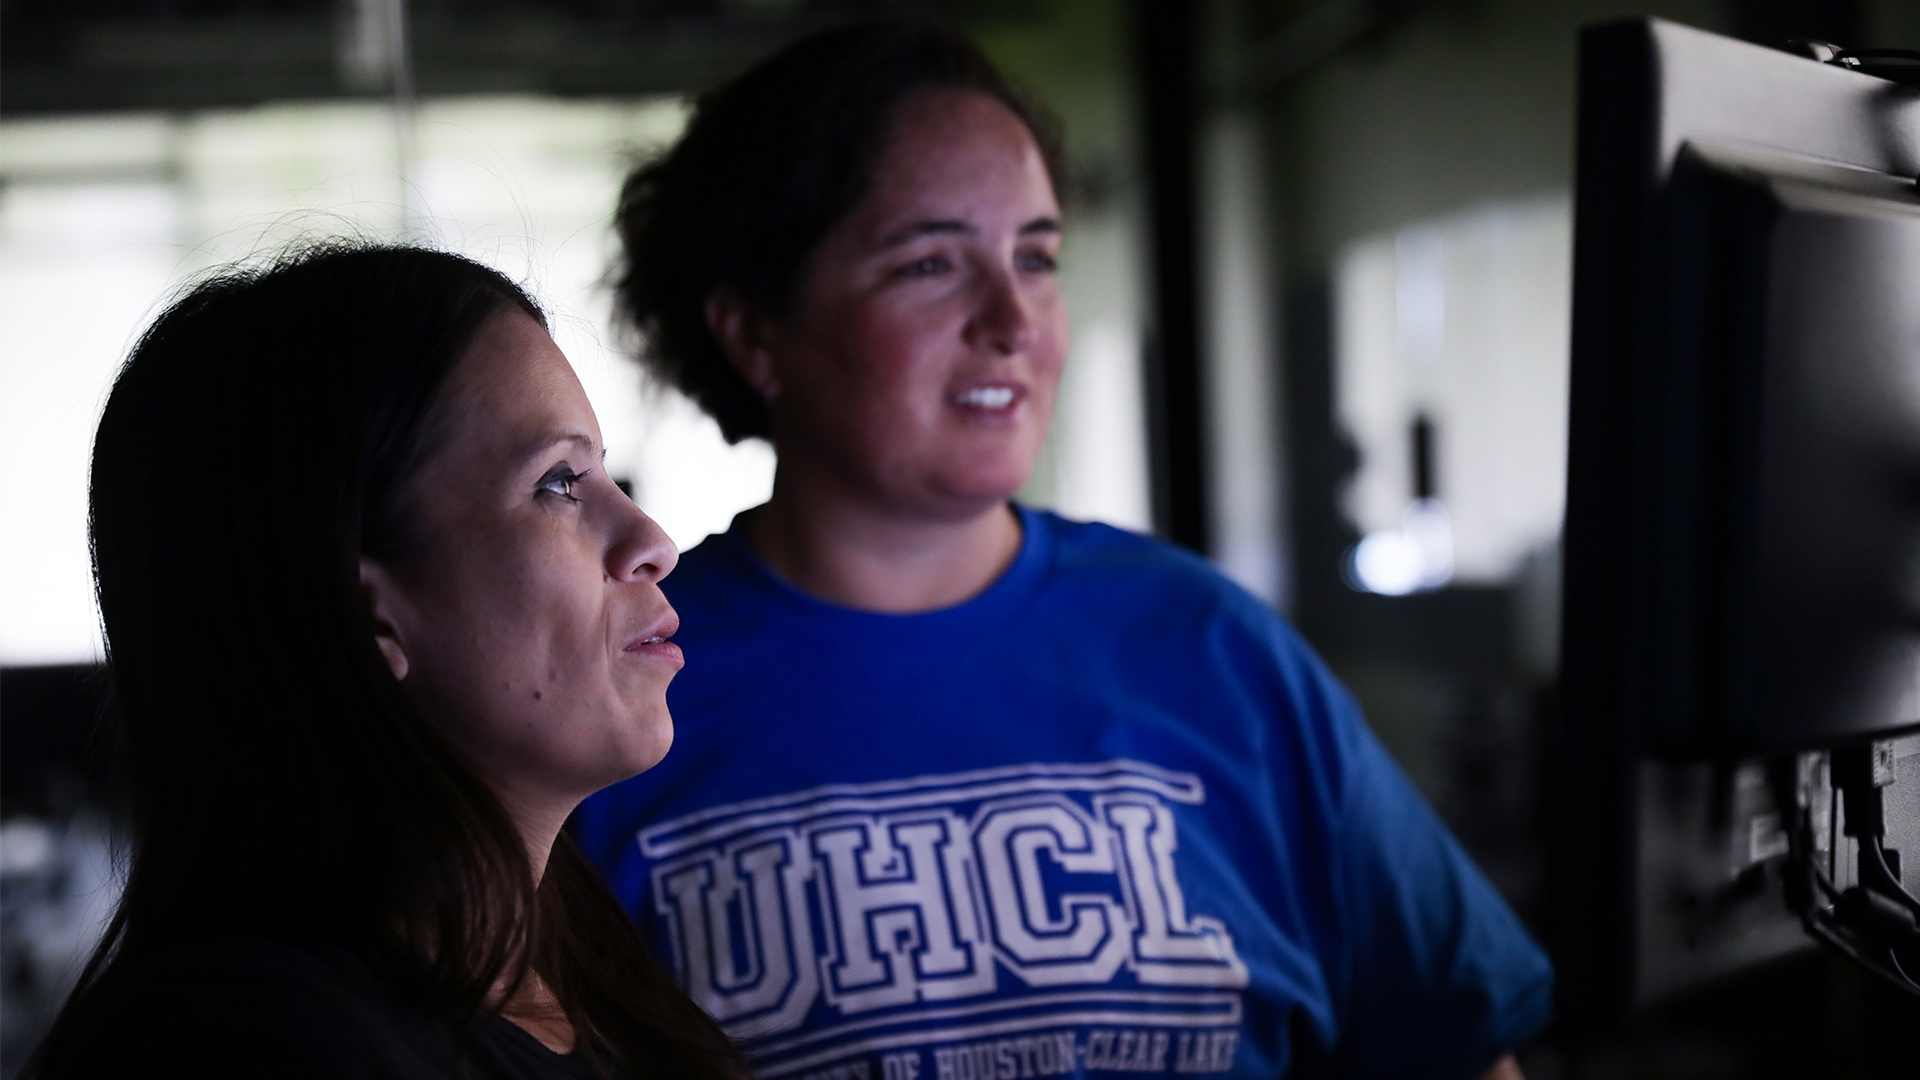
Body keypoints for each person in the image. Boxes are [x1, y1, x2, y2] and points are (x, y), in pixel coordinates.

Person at [574, 23, 1551, 1080]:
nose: (1015, 319)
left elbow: (1455, 1044)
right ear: (754, 333)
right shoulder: (624, 683)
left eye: (1036, 257)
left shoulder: (1209, 643)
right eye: (931, 263)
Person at [24, 245, 745, 1080]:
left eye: (605, 476)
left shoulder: (576, 970)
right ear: (367, 613)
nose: (652, 542)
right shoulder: (259, 1045)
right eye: (557, 483)